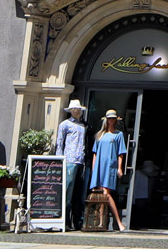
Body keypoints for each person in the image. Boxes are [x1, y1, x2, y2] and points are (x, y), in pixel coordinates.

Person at [89, 110, 128, 230]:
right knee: (100, 194)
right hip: (99, 166)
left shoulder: (118, 135)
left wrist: (120, 168)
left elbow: (120, 153)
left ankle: (117, 222)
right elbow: (95, 153)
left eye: (113, 118)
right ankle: (101, 222)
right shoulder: (100, 134)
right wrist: (93, 168)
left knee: (106, 193)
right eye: (109, 118)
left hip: (110, 166)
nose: (111, 120)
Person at [54, 99, 89, 231]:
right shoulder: (65, 125)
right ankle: (65, 221)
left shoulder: (83, 125)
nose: (77, 111)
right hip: (69, 161)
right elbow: (60, 142)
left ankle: (77, 221)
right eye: (75, 109)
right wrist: (60, 160)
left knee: (79, 193)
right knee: (68, 193)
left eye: (79, 109)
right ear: (71, 111)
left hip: (81, 161)